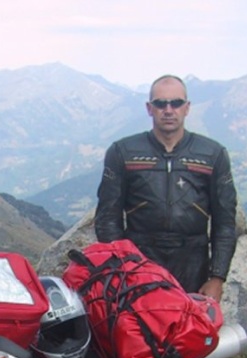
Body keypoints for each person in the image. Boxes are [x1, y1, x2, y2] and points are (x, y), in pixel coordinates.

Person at [94, 74, 237, 302]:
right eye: (160, 104)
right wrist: (123, 268)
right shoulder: (122, 152)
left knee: (189, 336)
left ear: (187, 108)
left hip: (194, 266)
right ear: (149, 109)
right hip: (139, 263)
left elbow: (225, 222)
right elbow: (107, 218)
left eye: (176, 103)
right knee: (139, 334)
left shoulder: (213, 154)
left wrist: (217, 278)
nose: (168, 110)